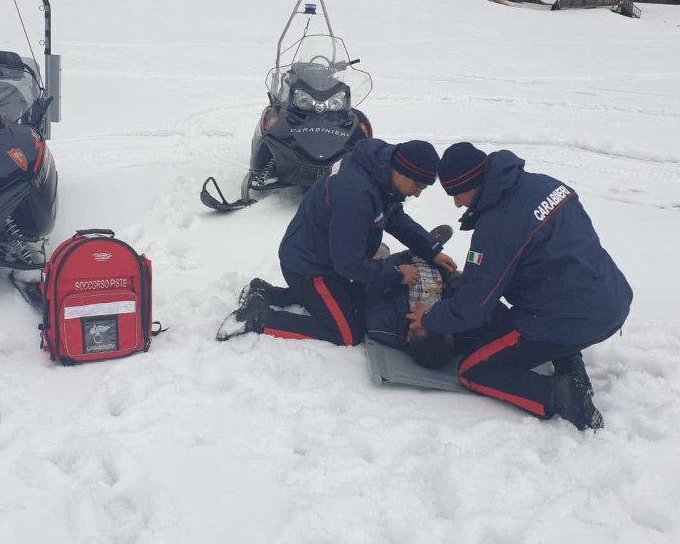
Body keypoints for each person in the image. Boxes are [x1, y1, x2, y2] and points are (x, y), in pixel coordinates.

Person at [406, 142, 632, 430]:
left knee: (473, 369)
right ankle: (569, 362)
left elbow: (473, 309)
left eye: (455, 194)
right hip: (611, 297)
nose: (457, 204)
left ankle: (560, 396)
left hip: (573, 318)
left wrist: (429, 317)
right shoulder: (546, 185)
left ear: (472, 183)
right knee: (538, 306)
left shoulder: (498, 225)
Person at [217, 138, 458, 344]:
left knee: (354, 299)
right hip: (310, 267)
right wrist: (397, 274)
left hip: (325, 255)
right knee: (346, 332)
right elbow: (348, 264)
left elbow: (394, 217)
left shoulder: (381, 175)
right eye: (417, 186)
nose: (416, 193)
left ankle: (267, 292)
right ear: (401, 170)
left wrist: (432, 249)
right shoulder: (356, 195)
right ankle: (258, 317)